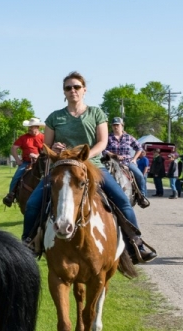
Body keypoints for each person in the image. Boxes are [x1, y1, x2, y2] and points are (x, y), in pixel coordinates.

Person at [22, 72, 157, 263]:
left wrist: (84, 156)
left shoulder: (96, 113)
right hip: (61, 168)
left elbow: (102, 142)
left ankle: (136, 245)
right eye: (68, 88)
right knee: (33, 203)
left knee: (122, 201)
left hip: (93, 166)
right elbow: (46, 146)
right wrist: (54, 149)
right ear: (64, 92)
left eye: (76, 87)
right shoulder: (54, 117)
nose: (73, 90)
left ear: (84, 90)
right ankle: (27, 243)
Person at [103, 117, 149, 207]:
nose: (115, 127)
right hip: (110, 162)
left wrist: (134, 159)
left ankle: (142, 196)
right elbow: (103, 149)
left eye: (117, 125)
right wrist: (114, 155)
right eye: (114, 125)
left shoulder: (128, 137)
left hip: (127, 162)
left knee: (140, 176)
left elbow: (139, 148)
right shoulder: (108, 137)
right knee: (100, 176)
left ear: (122, 126)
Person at [2, 118, 46, 207]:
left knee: (52, 176)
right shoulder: (23, 138)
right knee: (16, 176)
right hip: (26, 162)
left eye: (31, 127)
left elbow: (48, 150)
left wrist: (37, 156)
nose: (29, 129)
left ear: (37, 127)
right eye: (29, 127)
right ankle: (11, 195)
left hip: (41, 162)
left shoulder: (43, 137)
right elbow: (13, 148)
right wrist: (18, 160)